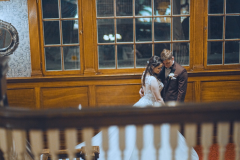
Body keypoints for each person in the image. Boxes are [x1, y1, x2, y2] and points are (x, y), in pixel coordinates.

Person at [76, 56, 198, 160]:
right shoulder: (154, 80)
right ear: (152, 67)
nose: (161, 70)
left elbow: (143, 90)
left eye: (161, 67)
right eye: (159, 68)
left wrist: (144, 92)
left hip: (142, 102)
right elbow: (158, 99)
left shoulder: (144, 74)